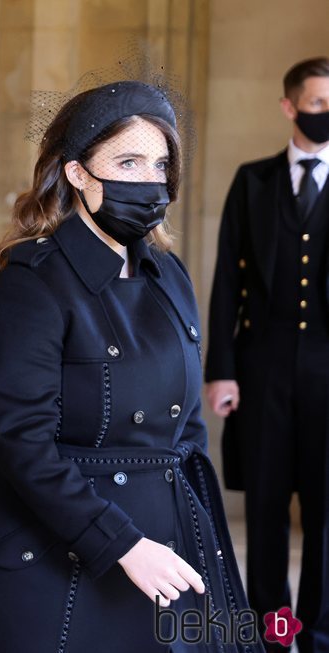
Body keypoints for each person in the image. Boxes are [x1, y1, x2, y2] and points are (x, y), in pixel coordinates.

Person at [0, 81, 257, 652]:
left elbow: (188, 430)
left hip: (167, 546)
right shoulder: (30, 283)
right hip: (63, 550)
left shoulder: (169, 275)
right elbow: (25, 445)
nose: (149, 181)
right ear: (78, 173)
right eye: (128, 161)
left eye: (160, 164)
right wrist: (122, 544)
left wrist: (196, 541)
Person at [205, 56, 329, 653]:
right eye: (317, 104)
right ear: (289, 106)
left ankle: (323, 633)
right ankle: (273, 636)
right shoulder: (252, 181)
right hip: (263, 369)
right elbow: (226, 278)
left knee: (328, 510)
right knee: (266, 506)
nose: (326, 114)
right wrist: (220, 371)